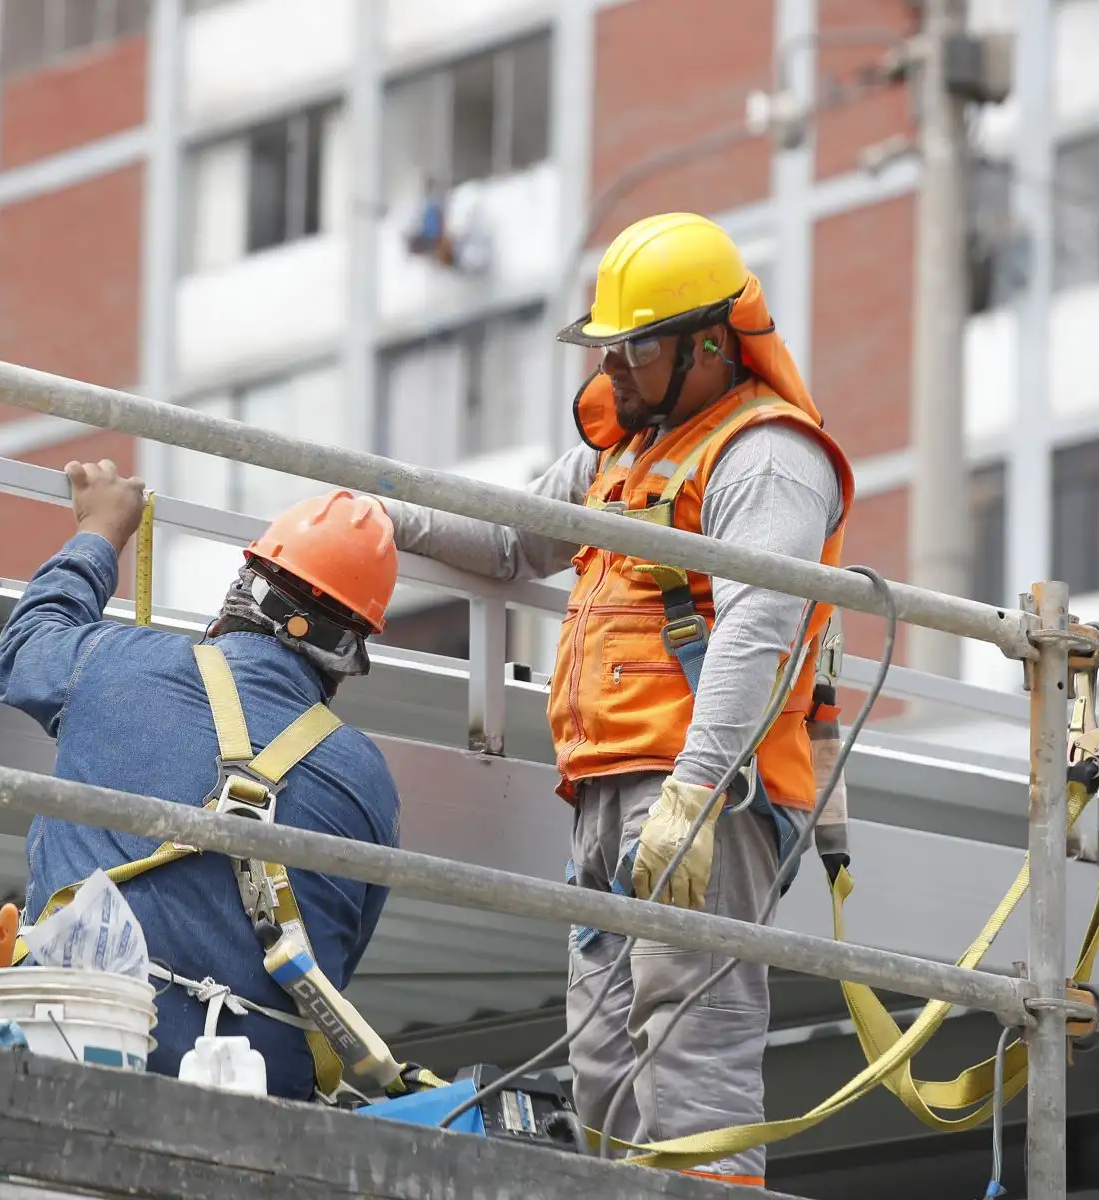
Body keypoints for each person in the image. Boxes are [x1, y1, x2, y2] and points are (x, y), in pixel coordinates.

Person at [382, 212, 855, 1186]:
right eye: (613, 348)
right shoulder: (624, 455)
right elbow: (514, 538)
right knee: (603, 1069)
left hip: (701, 796)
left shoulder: (766, 457)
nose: (618, 370)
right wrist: (378, 513)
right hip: (605, 794)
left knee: (695, 1058)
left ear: (710, 346)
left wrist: (694, 792)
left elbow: (756, 631)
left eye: (636, 347)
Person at [0, 458, 403, 1102]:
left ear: (241, 590)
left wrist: (101, 531)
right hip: (261, 1103)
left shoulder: (116, 663)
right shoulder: (368, 782)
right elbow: (333, 965)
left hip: (78, 1055)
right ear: (346, 659)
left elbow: (26, 647)